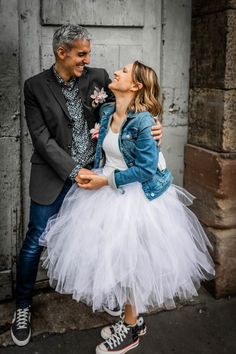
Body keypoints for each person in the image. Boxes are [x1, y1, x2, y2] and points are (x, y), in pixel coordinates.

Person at [39, 61, 215, 354]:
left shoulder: (144, 122)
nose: (116, 73)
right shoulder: (108, 110)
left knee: (132, 264)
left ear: (135, 86)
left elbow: (146, 170)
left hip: (137, 198)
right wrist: (98, 174)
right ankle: (133, 319)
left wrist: (105, 180)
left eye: (124, 71)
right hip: (107, 194)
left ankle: (131, 329)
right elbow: (105, 153)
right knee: (117, 261)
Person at [10, 25, 162, 347]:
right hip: (55, 176)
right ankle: (22, 305)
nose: (87, 59)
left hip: (98, 179)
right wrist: (73, 170)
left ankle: (120, 308)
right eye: (81, 53)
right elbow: (41, 139)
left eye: (88, 53)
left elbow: (128, 111)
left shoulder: (98, 77)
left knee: (107, 243)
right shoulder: (34, 87)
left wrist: (154, 128)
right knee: (36, 239)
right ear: (61, 53)